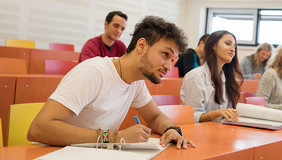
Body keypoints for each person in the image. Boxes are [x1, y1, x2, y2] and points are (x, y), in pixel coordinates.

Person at [28, 16, 196, 149]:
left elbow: (155, 116)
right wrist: (115, 137)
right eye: (165, 54)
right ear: (142, 45)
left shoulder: (136, 82)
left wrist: (171, 130)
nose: (168, 66)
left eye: (173, 60)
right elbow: (39, 129)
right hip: (57, 153)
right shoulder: (93, 73)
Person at [180, 30, 243, 123]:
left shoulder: (227, 78)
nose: (233, 49)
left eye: (234, 46)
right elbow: (192, 116)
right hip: (198, 134)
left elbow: (228, 112)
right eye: (227, 44)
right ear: (213, 45)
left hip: (220, 131)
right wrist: (216, 114)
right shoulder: (195, 76)